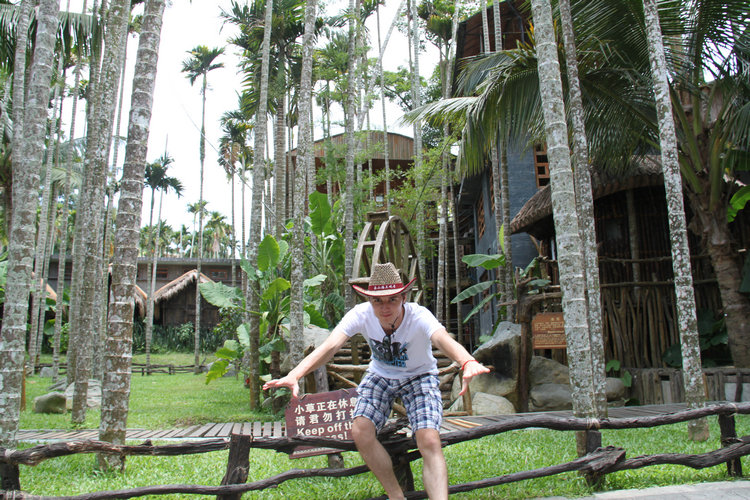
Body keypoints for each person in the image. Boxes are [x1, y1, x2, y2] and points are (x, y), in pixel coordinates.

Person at [263, 263, 490, 500]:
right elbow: (330, 346)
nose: (385, 307)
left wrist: (466, 361)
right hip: (380, 375)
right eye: (378, 301)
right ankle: (396, 496)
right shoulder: (360, 314)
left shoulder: (419, 315)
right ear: (369, 300)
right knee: (361, 431)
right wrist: (295, 374)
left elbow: (442, 339)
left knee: (429, 439)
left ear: (404, 297)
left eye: (392, 299)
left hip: (420, 376)